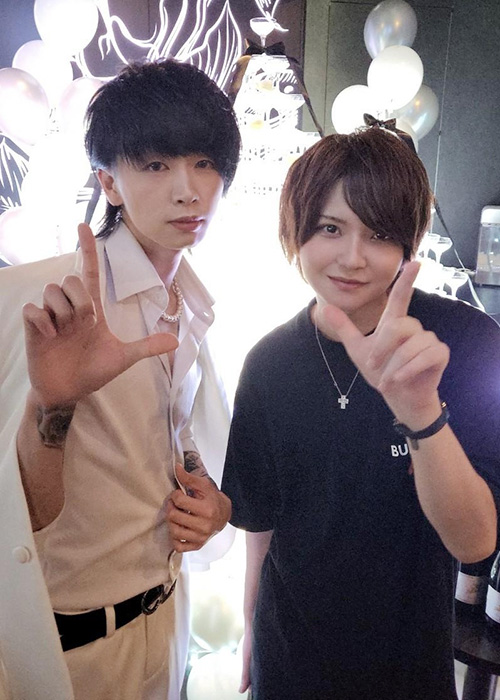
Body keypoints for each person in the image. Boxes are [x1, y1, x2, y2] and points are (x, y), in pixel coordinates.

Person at [221, 127, 500, 700]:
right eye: (330, 228)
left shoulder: (464, 344)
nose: (352, 258)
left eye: (379, 233)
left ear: (409, 242)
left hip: (410, 669)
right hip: (289, 661)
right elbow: (262, 528)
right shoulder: (268, 363)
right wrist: (250, 626)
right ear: (296, 229)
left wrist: (421, 411)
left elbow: (474, 542)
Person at [0, 58, 240, 700]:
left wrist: (213, 507)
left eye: (205, 163)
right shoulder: (48, 300)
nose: (189, 191)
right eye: (156, 165)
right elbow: (17, 518)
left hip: (165, 627)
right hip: (72, 653)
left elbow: (169, 450)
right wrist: (52, 405)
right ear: (108, 182)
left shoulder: (191, 304)